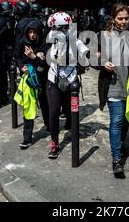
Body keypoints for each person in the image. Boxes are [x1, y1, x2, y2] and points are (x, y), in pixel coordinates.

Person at [97, 4, 129, 179]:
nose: (123, 22)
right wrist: (103, 63)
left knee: (126, 120)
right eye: (120, 18)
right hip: (112, 86)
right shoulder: (104, 35)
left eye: (126, 18)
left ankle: (121, 142)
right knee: (116, 120)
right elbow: (95, 56)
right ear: (113, 18)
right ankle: (116, 159)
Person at [46, 12, 89, 159]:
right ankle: (55, 143)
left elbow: (82, 48)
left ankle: (73, 128)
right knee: (54, 111)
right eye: (61, 27)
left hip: (71, 79)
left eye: (66, 27)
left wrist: (88, 55)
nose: (64, 30)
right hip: (54, 79)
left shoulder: (74, 39)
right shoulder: (51, 37)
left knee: (72, 110)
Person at [17, 20, 50, 149]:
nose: (32, 35)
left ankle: (49, 125)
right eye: (30, 32)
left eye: (34, 32)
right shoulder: (22, 43)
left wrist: (33, 57)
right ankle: (27, 138)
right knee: (29, 108)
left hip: (42, 79)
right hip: (29, 80)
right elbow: (18, 57)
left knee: (45, 104)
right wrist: (22, 68)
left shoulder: (44, 44)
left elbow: (45, 62)